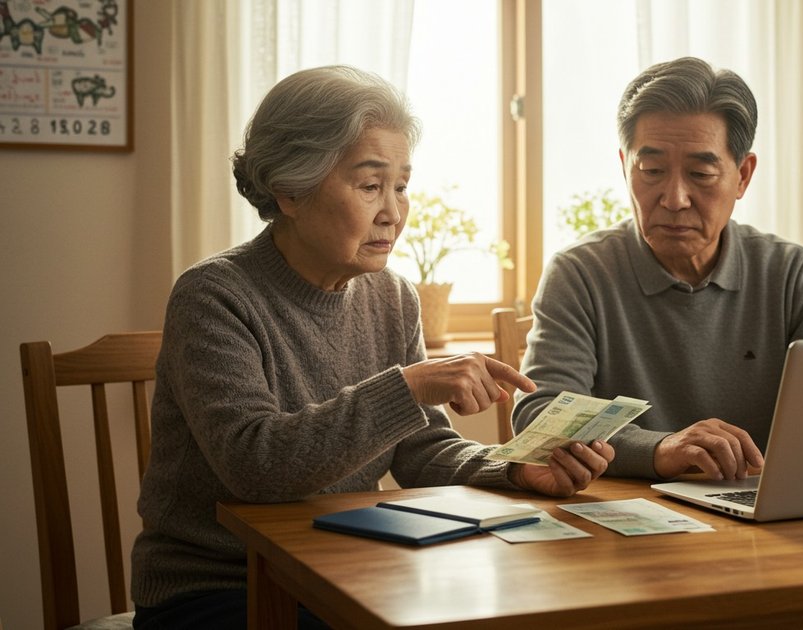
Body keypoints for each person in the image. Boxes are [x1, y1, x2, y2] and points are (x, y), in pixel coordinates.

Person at [130, 65, 614, 629]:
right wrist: (409, 386)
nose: (394, 212)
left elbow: (421, 452)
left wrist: (511, 469)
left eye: (401, 186)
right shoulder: (213, 296)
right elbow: (257, 469)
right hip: (216, 588)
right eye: (369, 185)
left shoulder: (392, 297)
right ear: (290, 189)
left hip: (345, 574)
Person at [512, 56, 803, 482]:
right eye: (651, 171)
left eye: (701, 173)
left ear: (743, 175)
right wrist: (660, 448)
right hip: (624, 524)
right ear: (624, 166)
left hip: (764, 515)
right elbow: (541, 416)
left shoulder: (791, 274)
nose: (674, 198)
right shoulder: (581, 273)